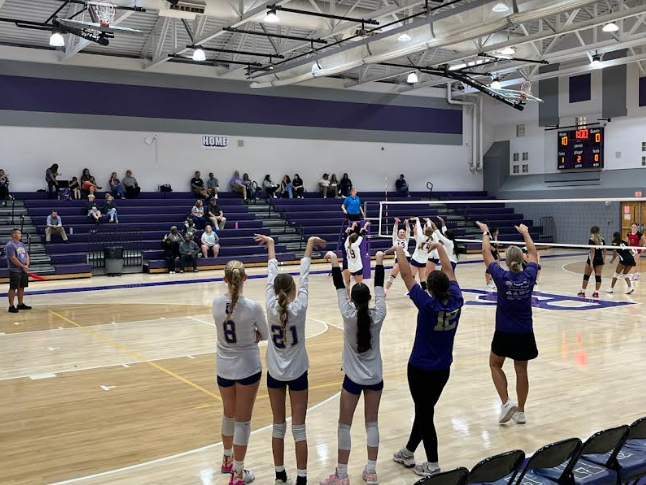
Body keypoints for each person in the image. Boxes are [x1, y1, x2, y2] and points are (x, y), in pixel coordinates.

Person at [255, 234, 325, 485]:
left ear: (274, 292)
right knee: (299, 428)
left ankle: (279, 475)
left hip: (274, 374)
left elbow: (271, 273)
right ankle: (302, 479)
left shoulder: (270, 305)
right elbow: (304, 277)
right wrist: (309, 245)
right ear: (293, 291)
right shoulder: (300, 306)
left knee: (277, 426)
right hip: (298, 374)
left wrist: (271, 246)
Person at [391, 241, 462, 477]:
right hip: (442, 369)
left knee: (425, 414)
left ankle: (432, 463)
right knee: (424, 410)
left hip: (420, 367)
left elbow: (405, 274)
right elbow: (449, 269)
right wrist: (440, 247)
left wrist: (400, 251)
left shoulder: (427, 304)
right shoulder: (457, 301)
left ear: (429, 289)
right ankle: (409, 451)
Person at [320, 250, 386, 485]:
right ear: (368, 300)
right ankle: (371, 471)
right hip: (375, 378)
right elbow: (379, 287)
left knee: (344, 425)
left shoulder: (348, 315)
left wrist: (336, 261)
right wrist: (378, 260)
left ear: (352, 299)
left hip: (353, 380)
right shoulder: (379, 314)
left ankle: (341, 475)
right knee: (372, 423)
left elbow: (339, 287)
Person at [212, 260, 269, 485]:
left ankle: (227, 459)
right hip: (247, 366)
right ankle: (237, 473)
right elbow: (264, 334)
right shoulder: (253, 307)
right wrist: (248, 339)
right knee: (243, 421)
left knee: (228, 414)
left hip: (224, 367)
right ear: (245, 278)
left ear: (225, 279)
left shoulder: (216, 303)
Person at [477, 221, 538, 425]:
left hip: (504, 331)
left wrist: (485, 232)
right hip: (524, 331)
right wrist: (525, 233)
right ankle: (520, 411)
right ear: (522, 260)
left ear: (505, 260)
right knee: (522, 370)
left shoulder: (501, 277)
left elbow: (486, 253)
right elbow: (534, 252)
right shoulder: (530, 275)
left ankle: (506, 402)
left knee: (494, 364)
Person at [6, 228, 32, 313]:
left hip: (23, 269)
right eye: (19, 233)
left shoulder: (21, 244)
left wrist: (27, 264)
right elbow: (13, 258)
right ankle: (11, 306)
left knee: (21, 287)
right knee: (13, 287)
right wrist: (22, 266)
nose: (21, 234)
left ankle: (20, 304)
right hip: (15, 270)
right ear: (14, 235)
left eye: (20, 233)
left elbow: (26, 254)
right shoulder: (10, 245)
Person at [384, 218, 411, 295]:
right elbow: (394, 231)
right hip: (398, 258)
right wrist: (396, 223)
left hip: (407, 257)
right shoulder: (395, 239)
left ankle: (411, 291)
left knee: (409, 276)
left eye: (403, 232)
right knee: (393, 275)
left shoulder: (406, 239)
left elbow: (408, 231)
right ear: (398, 233)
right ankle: (385, 290)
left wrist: (407, 223)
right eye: (400, 232)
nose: (402, 233)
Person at [578, 226, 606, 298]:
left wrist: (591, 262)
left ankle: (583, 292)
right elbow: (605, 251)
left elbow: (592, 252)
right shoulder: (602, 239)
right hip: (600, 259)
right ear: (599, 231)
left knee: (586, 276)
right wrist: (604, 259)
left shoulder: (591, 240)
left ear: (591, 232)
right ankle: (596, 293)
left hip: (593, 258)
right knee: (598, 276)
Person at [344, 222, 370, 293]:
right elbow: (362, 235)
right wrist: (365, 225)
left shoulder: (346, 244)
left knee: (349, 284)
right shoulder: (355, 245)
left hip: (351, 268)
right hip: (358, 267)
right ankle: (358, 297)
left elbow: (350, 236)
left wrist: (353, 226)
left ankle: (348, 296)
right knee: (359, 285)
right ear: (355, 240)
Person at [410, 217, 434, 291]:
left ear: (425, 230)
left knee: (412, 277)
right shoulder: (431, 238)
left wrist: (417, 220)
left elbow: (419, 228)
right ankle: (426, 293)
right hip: (423, 261)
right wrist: (428, 221)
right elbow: (429, 229)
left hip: (416, 259)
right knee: (422, 280)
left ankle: (413, 291)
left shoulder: (421, 237)